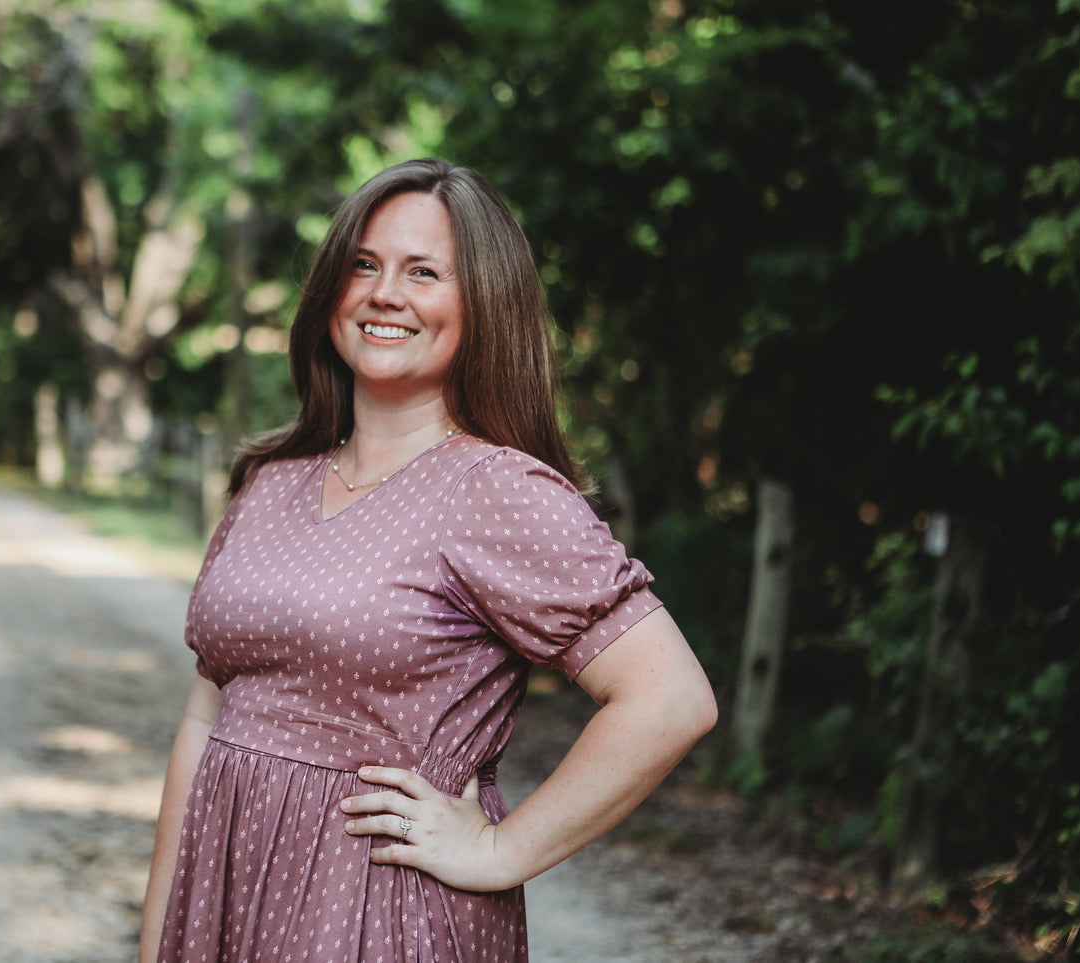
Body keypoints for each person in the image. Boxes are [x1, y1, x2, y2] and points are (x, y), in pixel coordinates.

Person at [139, 158, 717, 962]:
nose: (385, 293)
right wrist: (163, 933)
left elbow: (669, 697)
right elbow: (205, 718)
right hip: (225, 901)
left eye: (423, 272)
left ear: (481, 305)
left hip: (380, 915)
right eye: (363, 265)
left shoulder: (498, 489)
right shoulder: (269, 483)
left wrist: (498, 850)